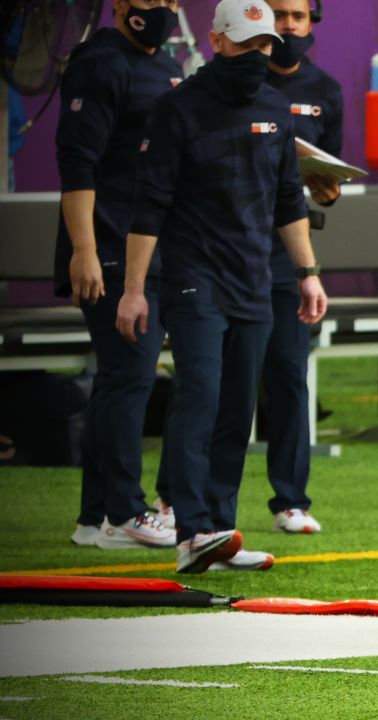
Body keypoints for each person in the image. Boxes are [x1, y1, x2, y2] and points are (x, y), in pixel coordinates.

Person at [115, 0, 328, 573]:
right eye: (247, 44)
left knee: (236, 409)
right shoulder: (176, 109)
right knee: (199, 398)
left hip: (256, 281)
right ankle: (191, 529)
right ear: (216, 41)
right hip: (192, 280)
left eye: (266, 45)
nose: (259, 54)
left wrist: (307, 274)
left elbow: (289, 199)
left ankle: (218, 529)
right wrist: (135, 289)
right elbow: (149, 206)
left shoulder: (275, 107)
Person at [56, 0, 184, 551]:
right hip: (107, 247)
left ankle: (94, 519)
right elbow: (77, 162)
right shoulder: (100, 62)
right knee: (129, 377)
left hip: (147, 248)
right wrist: (83, 249)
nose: (162, 7)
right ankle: (125, 510)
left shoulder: (166, 65)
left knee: (118, 378)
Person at [260, 0, 344, 533]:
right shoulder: (230, 84)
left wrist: (328, 188)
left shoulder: (326, 91)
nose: (288, 25)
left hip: (288, 255)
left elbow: (328, 190)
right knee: (215, 382)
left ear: (312, 22)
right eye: (278, 14)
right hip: (223, 248)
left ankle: (291, 500)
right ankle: (184, 502)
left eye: (298, 15)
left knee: (290, 376)